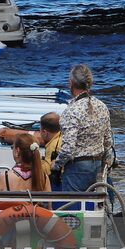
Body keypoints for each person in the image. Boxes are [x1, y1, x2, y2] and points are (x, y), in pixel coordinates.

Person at [52, 64, 114, 193]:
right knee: (96, 208)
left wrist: (56, 166)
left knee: (74, 210)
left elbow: (68, 148)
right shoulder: (102, 106)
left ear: (71, 83)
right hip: (98, 166)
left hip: (77, 169)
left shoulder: (72, 111)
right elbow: (108, 142)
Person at [0, 112, 62, 187]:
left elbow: (47, 170)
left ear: (45, 132)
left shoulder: (54, 146)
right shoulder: (59, 139)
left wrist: (33, 161)